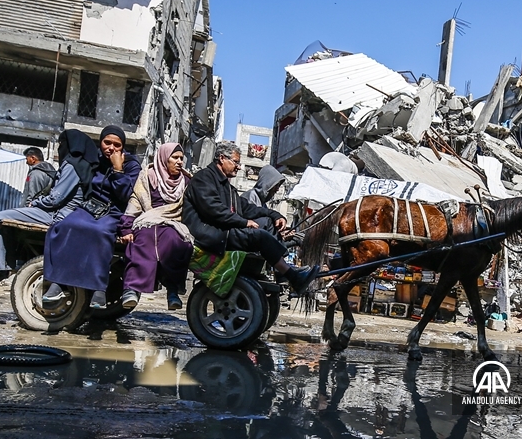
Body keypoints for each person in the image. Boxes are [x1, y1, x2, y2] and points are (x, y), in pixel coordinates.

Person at [182, 141, 319, 294]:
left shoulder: (226, 186)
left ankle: (282, 271)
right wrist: (244, 222)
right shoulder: (204, 178)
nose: (239, 167)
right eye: (236, 162)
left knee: (267, 222)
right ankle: (291, 275)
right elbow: (213, 210)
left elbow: (246, 208)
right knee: (259, 236)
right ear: (221, 158)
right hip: (210, 233)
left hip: (222, 229)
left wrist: (275, 215)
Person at [0, 130, 95, 282]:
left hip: (57, 214)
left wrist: (35, 203)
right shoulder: (83, 166)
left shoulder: (71, 166)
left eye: (62, 143)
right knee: (3, 221)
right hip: (62, 213)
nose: (60, 147)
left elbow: (55, 199)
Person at [42, 126, 142, 309]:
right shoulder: (94, 159)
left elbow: (125, 195)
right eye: (107, 143)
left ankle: (98, 289)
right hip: (90, 207)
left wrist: (118, 170)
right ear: (101, 142)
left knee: (100, 231)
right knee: (65, 226)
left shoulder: (131, 164)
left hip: (114, 211)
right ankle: (57, 283)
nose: (111, 148)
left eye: (117, 145)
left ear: (123, 147)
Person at [118, 142, 194, 311]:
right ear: (164, 158)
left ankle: (172, 290)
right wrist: (126, 228)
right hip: (147, 220)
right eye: (175, 157)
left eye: (181, 158)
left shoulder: (187, 181)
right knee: (143, 240)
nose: (179, 162)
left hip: (173, 222)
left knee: (177, 242)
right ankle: (131, 289)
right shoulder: (148, 176)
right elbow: (136, 200)